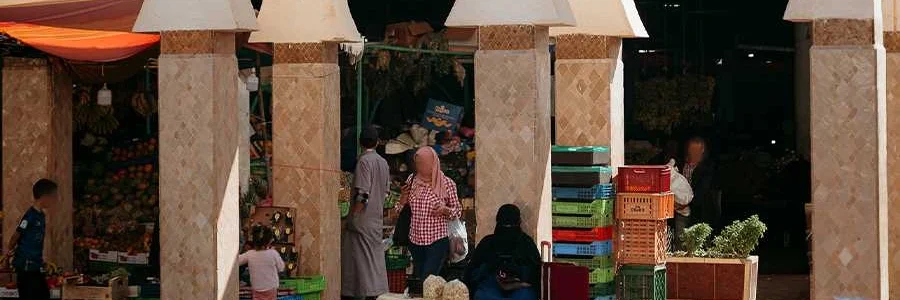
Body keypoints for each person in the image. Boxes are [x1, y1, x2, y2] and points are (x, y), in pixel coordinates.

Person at [396, 147, 462, 280]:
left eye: (424, 164)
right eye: (418, 164)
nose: (420, 167)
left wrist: (445, 210)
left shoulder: (447, 184)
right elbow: (399, 209)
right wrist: (403, 197)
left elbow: (457, 211)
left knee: (428, 277)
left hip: (437, 240)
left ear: (433, 163)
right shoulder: (412, 180)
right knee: (421, 277)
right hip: (415, 240)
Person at [341, 126, 390, 300]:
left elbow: (362, 194)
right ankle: (373, 293)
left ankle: (363, 294)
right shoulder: (383, 163)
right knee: (373, 260)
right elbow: (385, 193)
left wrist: (354, 216)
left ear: (360, 143)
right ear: (377, 143)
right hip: (376, 219)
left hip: (362, 219)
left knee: (360, 261)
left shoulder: (363, 162)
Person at [463, 204, 540, 300]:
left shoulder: (526, 244)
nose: (508, 230)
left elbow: (538, 275)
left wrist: (518, 271)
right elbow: (470, 276)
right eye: (504, 225)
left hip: (520, 288)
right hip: (491, 287)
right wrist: (489, 267)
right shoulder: (487, 244)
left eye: (511, 226)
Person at [5, 179, 57, 300]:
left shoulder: (41, 215)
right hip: (26, 264)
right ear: (44, 197)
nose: (54, 200)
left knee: (43, 294)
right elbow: (16, 235)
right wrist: (9, 250)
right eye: (53, 196)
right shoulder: (30, 216)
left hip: (36, 263)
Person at [678, 137, 720, 229]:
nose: (694, 153)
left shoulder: (708, 168)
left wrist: (687, 202)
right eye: (692, 149)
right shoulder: (680, 164)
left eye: (697, 150)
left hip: (700, 211)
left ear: (702, 151)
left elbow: (702, 189)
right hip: (680, 210)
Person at [238, 226, 285, 300]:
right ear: (269, 241)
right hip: (271, 288)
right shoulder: (273, 253)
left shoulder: (249, 254)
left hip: (256, 289)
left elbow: (237, 261)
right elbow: (281, 268)